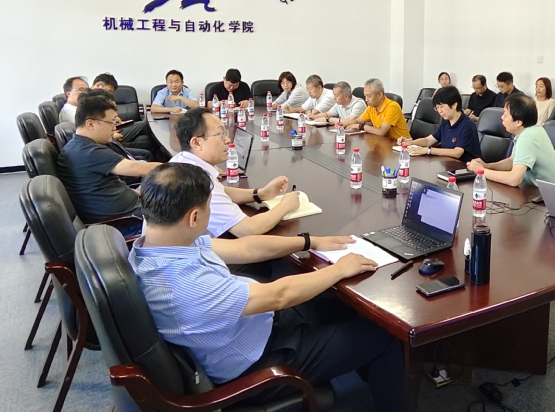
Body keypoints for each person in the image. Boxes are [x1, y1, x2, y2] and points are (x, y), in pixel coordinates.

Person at [131, 163, 404, 412]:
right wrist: (338, 269)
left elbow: (245, 248)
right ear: (193, 217)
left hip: (255, 327)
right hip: (258, 365)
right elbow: (279, 296)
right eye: (208, 208)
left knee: (336, 301)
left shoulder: (160, 243)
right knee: (384, 336)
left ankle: (371, 369)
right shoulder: (183, 285)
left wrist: (309, 241)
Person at [171, 108, 302, 238]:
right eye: (220, 134)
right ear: (196, 143)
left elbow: (221, 191)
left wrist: (260, 193)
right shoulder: (198, 183)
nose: (228, 139)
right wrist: (286, 205)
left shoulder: (183, 160)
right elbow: (249, 229)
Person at [56, 90, 160, 235]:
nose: (114, 127)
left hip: (132, 210)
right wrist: (180, 166)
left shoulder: (77, 146)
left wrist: (139, 193)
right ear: (91, 124)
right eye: (111, 122)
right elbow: (139, 168)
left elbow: (104, 187)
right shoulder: (90, 152)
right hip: (129, 222)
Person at [467, 94, 555, 187]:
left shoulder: (528, 137)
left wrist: (481, 171)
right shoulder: (531, 130)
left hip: (545, 195)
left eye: (505, 114)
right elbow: (512, 161)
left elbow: (514, 179)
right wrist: (487, 166)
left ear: (518, 122)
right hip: (532, 190)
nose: (502, 117)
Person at [397, 86, 481, 162]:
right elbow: (428, 140)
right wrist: (410, 143)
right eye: (437, 108)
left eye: (442, 107)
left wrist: (428, 150)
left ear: (454, 105)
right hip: (447, 163)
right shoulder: (446, 121)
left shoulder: (467, 125)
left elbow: (457, 152)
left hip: (464, 168)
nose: (440, 111)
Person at [91, 72, 163, 160]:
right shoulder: (89, 101)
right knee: (145, 125)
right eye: (109, 91)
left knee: (145, 139)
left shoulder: (99, 99)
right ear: (98, 85)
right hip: (109, 136)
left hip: (113, 129)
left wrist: (115, 119)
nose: (110, 94)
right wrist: (111, 135)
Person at [340, 78, 411, 141]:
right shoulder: (371, 107)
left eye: (369, 96)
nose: (366, 100)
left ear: (380, 95)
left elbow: (381, 132)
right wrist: (344, 124)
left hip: (400, 145)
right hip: (383, 142)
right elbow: (357, 121)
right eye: (365, 96)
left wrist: (360, 126)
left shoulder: (392, 107)